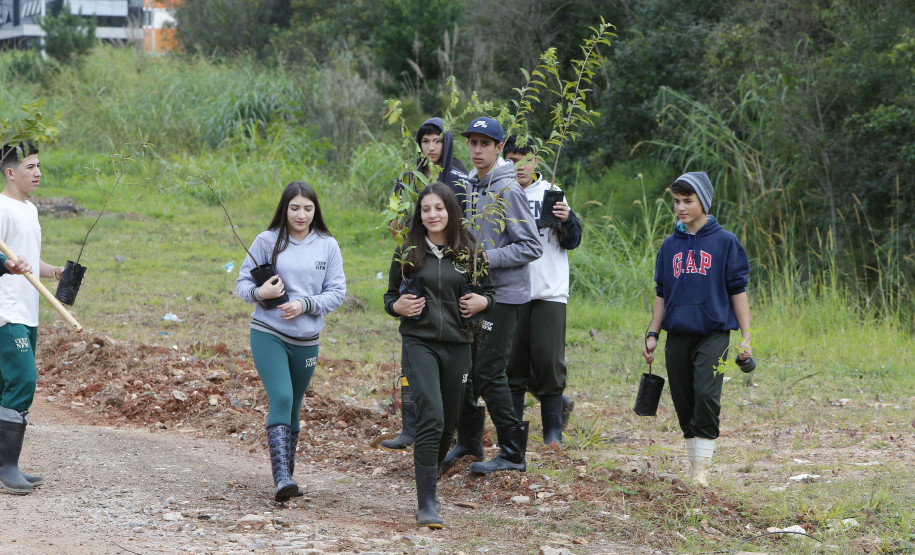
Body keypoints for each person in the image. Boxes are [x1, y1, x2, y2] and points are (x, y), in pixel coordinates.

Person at [383, 182, 494, 528]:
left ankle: (430, 474)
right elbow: (389, 297)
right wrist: (397, 307)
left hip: (459, 344)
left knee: (447, 423)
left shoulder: (470, 252)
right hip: (420, 342)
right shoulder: (408, 253)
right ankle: (427, 504)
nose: (432, 214)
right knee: (431, 413)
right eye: (426, 209)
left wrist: (483, 301)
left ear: (451, 211)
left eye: (439, 208)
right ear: (419, 214)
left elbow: (489, 293)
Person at [442, 117, 543, 475]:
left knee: (488, 371)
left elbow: (531, 246)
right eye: (473, 142)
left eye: (485, 144)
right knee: (465, 369)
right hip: (472, 293)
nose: (477, 150)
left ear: (499, 148)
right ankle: (469, 441)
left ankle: (513, 452)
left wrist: (486, 257)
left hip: (504, 296)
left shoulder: (508, 190)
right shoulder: (470, 186)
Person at [235, 181, 346, 502]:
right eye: (294, 208)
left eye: (308, 208)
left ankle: (288, 477)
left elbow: (337, 292)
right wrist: (261, 292)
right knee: (282, 397)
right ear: (284, 209)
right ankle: (281, 478)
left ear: (315, 211)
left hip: (307, 340)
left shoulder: (328, 245)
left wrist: (305, 304)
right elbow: (242, 283)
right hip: (268, 333)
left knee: (295, 405)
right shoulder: (267, 240)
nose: (301, 215)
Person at [641, 171, 752, 487]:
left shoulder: (725, 242)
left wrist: (746, 336)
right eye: (676, 201)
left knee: (706, 393)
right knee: (684, 400)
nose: (680, 207)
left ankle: (702, 471)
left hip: (714, 333)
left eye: (688, 201)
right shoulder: (669, 246)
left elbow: (738, 290)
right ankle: (696, 467)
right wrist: (652, 334)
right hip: (677, 334)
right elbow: (661, 293)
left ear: (703, 201)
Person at [382, 117, 469, 451]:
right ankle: (410, 426)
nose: (431, 147)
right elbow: (393, 222)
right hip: (414, 265)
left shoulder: (458, 175)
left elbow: (464, 225)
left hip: (449, 271)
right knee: (413, 349)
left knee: (451, 362)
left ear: (447, 143)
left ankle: (454, 433)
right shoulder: (410, 176)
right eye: (425, 141)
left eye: (437, 141)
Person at [502, 136, 582, 448]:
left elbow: (572, 241)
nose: (519, 166)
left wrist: (567, 219)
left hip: (549, 290)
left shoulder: (551, 193)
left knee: (549, 362)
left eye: (525, 159)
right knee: (513, 365)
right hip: (512, 289)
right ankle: (512, 435)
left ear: (536, 161)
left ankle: (552, 434)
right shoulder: (501, 194)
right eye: (512, 160)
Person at [0, 141, 67, 495]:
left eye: (39, 166)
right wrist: (6, 266)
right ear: (10, 173)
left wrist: (54, 271)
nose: (38, 173)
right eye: (30, 167)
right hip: (5, 311)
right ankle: (7, 466)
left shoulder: (31, 210)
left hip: (28, 311)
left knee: (5, 386)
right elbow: (8, 260)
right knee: (24, 380)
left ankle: (5, 463)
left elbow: (28, 258)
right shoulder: (1, 208)